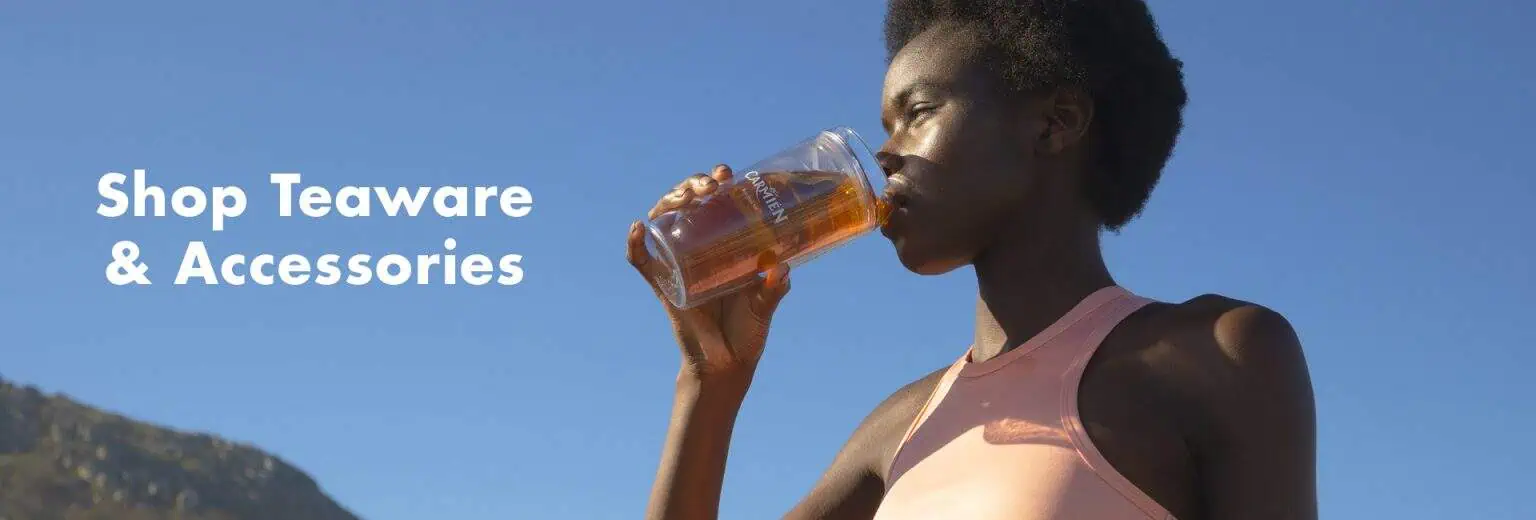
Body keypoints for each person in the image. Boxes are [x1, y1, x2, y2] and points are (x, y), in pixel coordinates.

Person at [625, 0, 1317, 518]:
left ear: (1055, 122)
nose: (885, 154)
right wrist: (709, 384)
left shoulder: (1217, 355)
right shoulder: (900, 426)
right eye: (884, 127)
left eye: (918, 112)